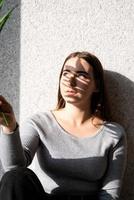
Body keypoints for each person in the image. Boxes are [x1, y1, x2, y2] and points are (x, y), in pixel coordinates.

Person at [0, 51, 127, 200]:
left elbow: (110, 193)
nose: (71, 81)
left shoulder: (113, 134)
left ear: (96, 86)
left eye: (82, 75)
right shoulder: (40, 122)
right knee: (16, 177)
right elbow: (13, 169)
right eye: (66, 73)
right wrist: (10, 127)